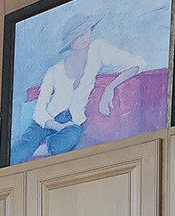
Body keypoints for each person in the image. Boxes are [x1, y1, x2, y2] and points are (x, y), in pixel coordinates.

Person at [11, 12, 145, 163]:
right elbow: (39, 112)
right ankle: (31, 150)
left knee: (73, 135)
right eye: (78, 34)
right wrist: (58, 126)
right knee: (20, 150)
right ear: (70, 42)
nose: (85, 36)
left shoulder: (98, 49)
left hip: (72, 124)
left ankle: (39, 151)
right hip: (48, 120)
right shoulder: (54, 70)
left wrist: (110, 87)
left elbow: (136, 63)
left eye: (86, 30)